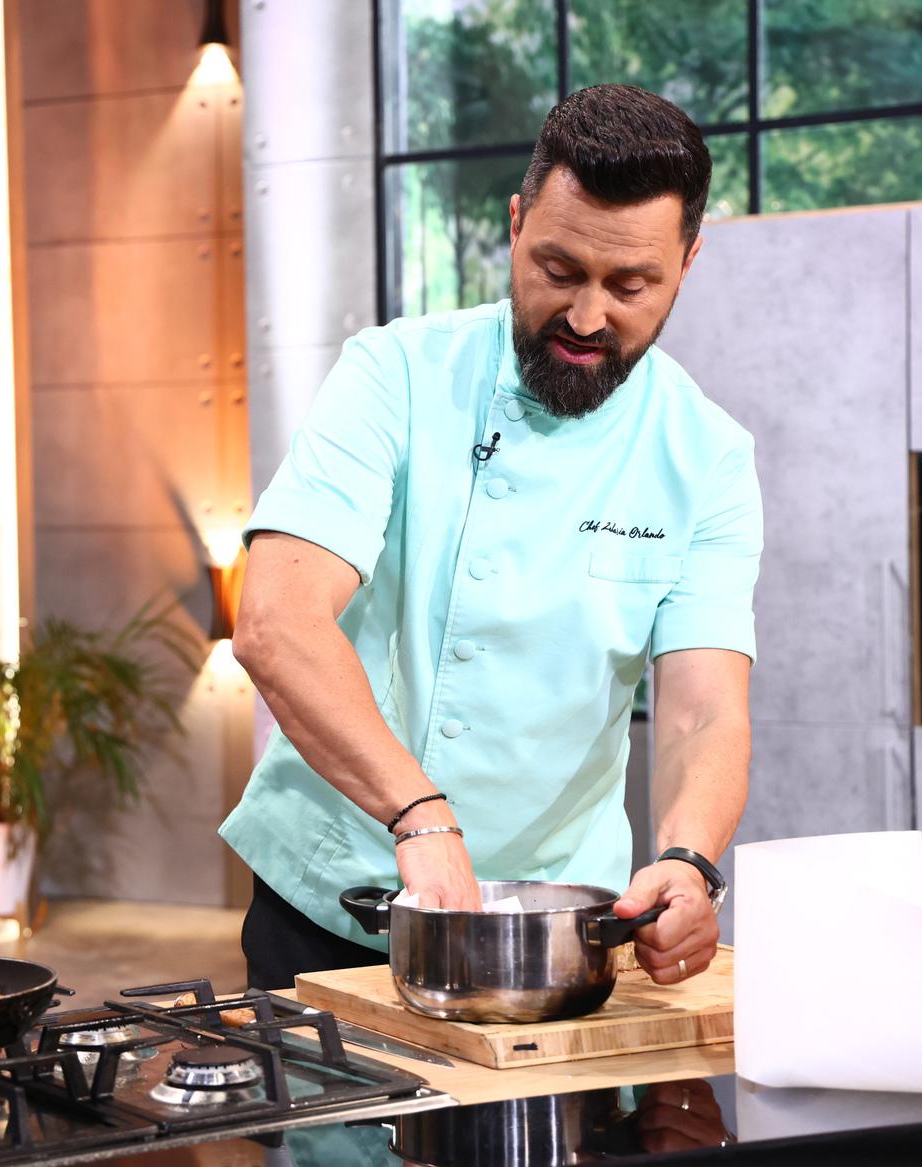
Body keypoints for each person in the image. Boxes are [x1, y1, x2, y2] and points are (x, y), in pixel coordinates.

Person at [222, 84, 759, 992]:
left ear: (688, 260)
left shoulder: (707, 455)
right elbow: (277, 621)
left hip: (555, 919)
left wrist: (689, 857)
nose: (586, 317)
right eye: (559, 270)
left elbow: (703, 708)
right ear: (515, 226)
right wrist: (419, 815)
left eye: (630, 286)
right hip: (341, 895)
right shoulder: (394, 374)